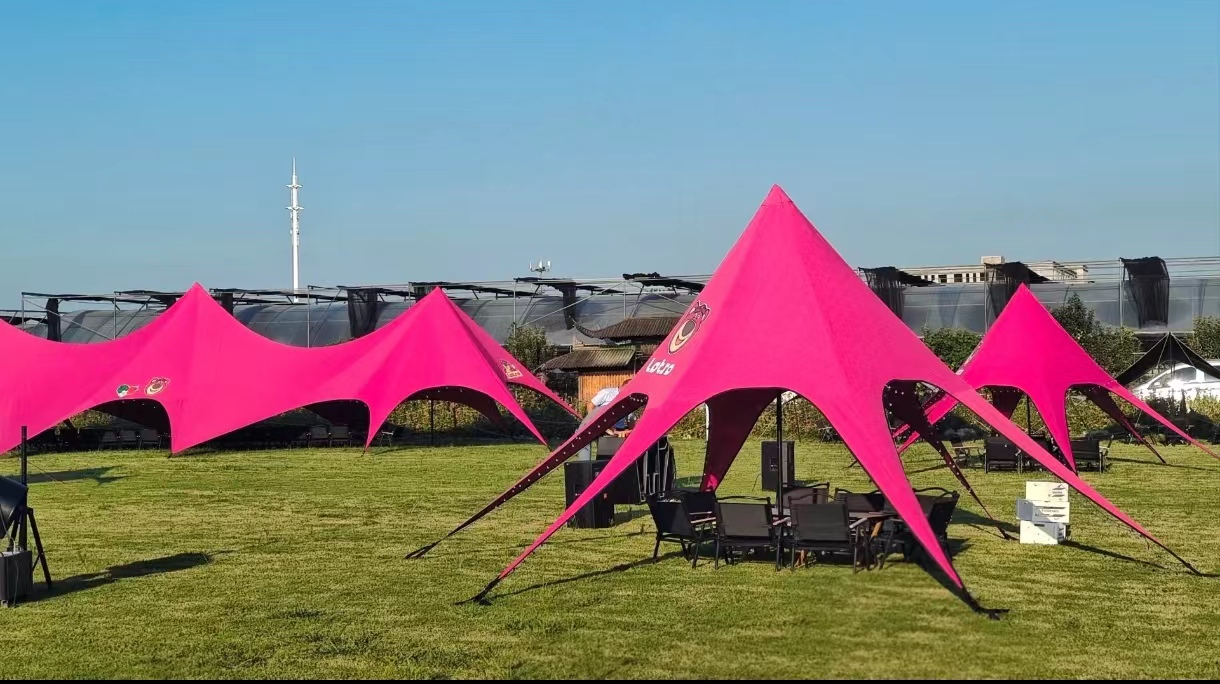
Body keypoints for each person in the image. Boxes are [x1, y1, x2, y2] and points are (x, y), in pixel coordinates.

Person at [577, 383, 625, 461]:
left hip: (611, 428)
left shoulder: (628, 397)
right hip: (594, 424)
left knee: (606, 456)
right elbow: (590, 406)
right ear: (623, 386)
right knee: (585, 449)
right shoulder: (607, 392)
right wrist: (594, 421)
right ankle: (585, 467)